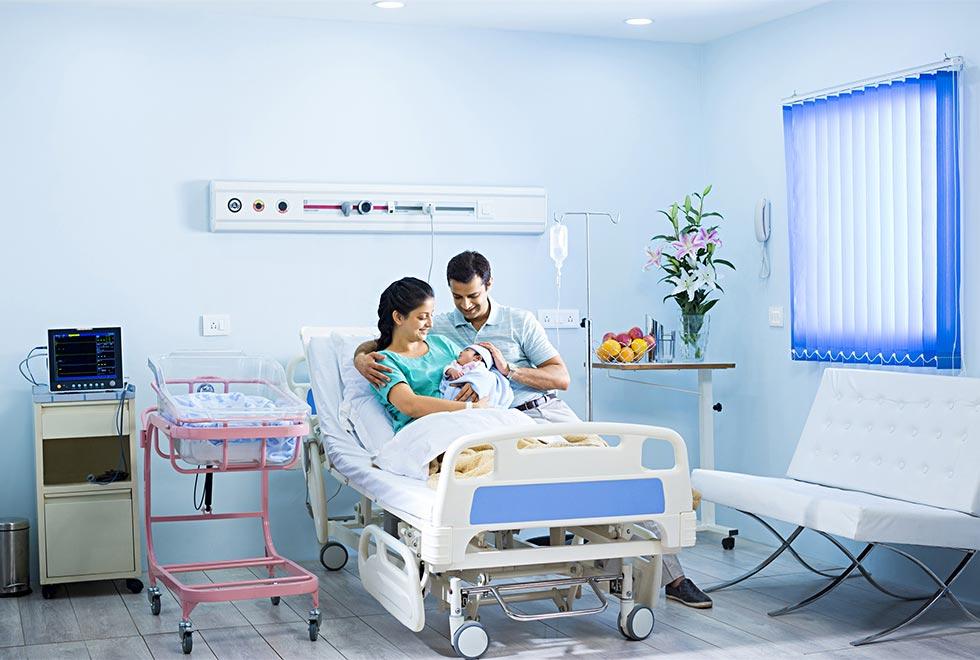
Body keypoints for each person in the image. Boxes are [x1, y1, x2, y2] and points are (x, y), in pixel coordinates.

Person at [355, 252, 712, 609]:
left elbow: (561, 378)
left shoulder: (518, 322)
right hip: (492, 420)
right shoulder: (440, 327)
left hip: (542, 411)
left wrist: (507, 369)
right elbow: (394, 340)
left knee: (611, 467)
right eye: (457, 297)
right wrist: (360, 357)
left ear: (489, 285)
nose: (465, 305)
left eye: (473, 296)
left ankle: (674, 577)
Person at [439, 344, 514, 409]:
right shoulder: (455, 364)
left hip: (473, 395)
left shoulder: (479, 366)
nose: (461, 352)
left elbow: (481, 375)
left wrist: (473, 381)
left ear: (477, 358)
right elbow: (447, 369)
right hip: (455, 388)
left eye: (466, 350)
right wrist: (451, 371)